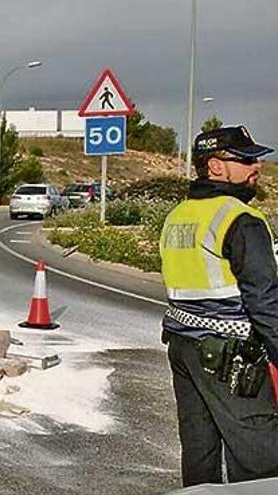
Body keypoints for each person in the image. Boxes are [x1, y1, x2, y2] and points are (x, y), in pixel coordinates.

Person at [160, 126, 278, 486]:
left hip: (184, 347)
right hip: (231, 354)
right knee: (258, 457)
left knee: (199, 449)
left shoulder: (178, 215)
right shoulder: (240, 218)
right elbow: (265, 298)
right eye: (244, 159)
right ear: (215, 166)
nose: (255, 166)